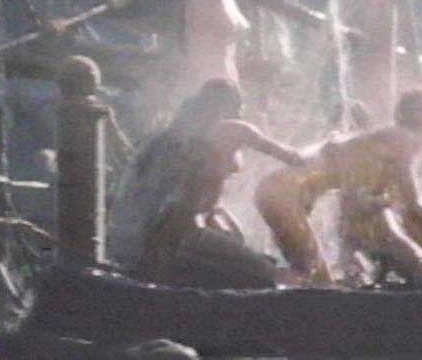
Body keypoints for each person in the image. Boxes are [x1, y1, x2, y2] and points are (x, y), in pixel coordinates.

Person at [255, 86, 422, 285]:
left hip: (278, 193)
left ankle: (263, 276)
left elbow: (365, 212)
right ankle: (257, 275)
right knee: (318, 283)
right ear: (420, 115)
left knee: (316, 278)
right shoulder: (402, 138)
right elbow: (412, 204)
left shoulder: (383, 146)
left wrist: (421, 256)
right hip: (282, 196)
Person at [108, 78, 302, 288]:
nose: (241, 113)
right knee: (265, 273)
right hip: (175, 237)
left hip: (138, 239)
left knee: (247, 254)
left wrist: (219, 218)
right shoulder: (230, 130)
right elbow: (291, 156)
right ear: (226, 108)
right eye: (239, 108)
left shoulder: (170, 136)